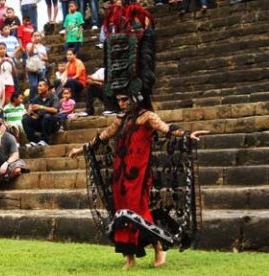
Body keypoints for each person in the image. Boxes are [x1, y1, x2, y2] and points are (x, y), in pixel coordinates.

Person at [68, 94, 209, 269]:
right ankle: (129, 257)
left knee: (137, 209)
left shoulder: (147, 116)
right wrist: (80, 150)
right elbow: (102, 137)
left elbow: (166, 128)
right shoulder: (122, 118)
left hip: (138, 172)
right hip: (120, 171)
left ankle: (158, 247)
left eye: (125, 99)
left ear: (137, 98)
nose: (122, 103)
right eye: (119, 100)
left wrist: (187, 135)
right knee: (121, 211)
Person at [22, 80, 60, 147]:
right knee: (25, 119)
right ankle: (33, 141)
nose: (38, 88)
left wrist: (41, 107)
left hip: (53, 124)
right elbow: (35, 115)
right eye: (38, 86)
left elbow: (55, 110)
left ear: (47, 87)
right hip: (41, 122)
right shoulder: (36, 98)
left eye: (40, 86)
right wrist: (30, 111)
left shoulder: (54, 97)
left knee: (46, 116)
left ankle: (45, 140)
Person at [26, 32, 48, 100]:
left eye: (38, 36)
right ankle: (31, 101)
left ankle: (40, 100)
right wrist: (33, 43)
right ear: (32, 37)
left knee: (41, 85)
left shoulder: (43, 47)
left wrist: (42, 58)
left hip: (41, 67)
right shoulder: (29, 45)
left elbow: (46, 58)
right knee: (34, 85)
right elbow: (30, 53)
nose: (37, 37)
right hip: (32, 67)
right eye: (35, 36)